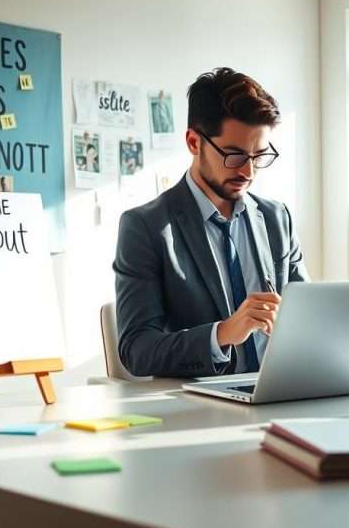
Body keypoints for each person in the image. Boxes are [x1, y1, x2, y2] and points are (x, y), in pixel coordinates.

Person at [113, 68, 308, 377]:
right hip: (203, 407)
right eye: (234, 155)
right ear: (194, 142)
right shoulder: (146, 227)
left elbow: (307, 315)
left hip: (281, 390)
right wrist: (223, 334)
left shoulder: (276, 218)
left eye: (259, 156)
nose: (248, 171)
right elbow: (137, 349)